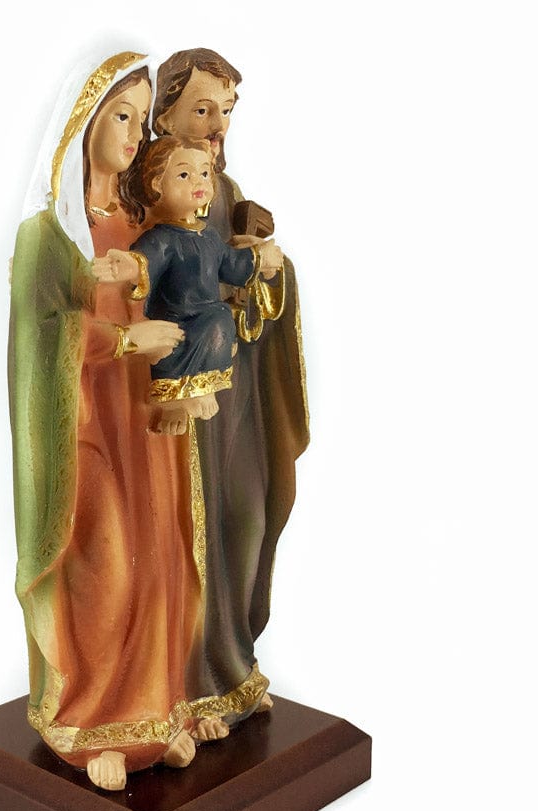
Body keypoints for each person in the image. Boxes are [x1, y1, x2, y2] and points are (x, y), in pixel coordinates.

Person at [9, 53, 201, 790]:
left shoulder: (143, 223)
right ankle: (90, 724)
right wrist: (125, 339)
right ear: (84, 120)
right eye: (121, 114)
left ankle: (151, 716)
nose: (132, 133)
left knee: (160, 557)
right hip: (85, 424)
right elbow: (42, 336)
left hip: (144, 421)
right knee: (104, 564)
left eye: (141, 119)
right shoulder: (50, 235)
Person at [153, 49, 310, 740]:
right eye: (201, 109)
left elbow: (247, 288)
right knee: (189, 533)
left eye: (226, 111)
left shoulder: (227, 187)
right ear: (165, 117)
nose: (218, 125)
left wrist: (267, 270)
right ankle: (185, 687)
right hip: (182, 399)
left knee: (246, 514)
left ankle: (231, 666)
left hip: (235, 389)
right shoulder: (155, 188)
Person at [93, 135, 283, 435]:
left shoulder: (209, 237)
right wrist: (128, 266)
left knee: (221, 318)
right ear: (157, 184)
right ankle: (179, 400)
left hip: (209, 318)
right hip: (177, 319)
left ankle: (197, 392)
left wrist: (259, 258)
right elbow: (146, 260)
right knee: (207, 326)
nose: (198, 181)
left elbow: (232, 265)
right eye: (184, 175)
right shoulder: (163, 238)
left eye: (205, 173)